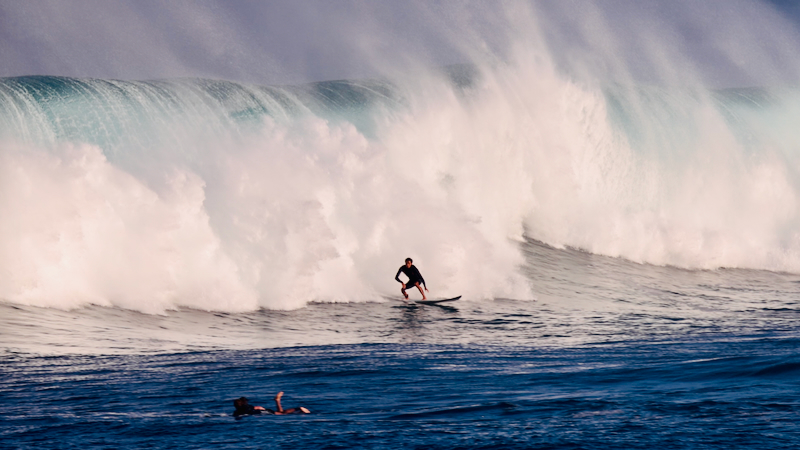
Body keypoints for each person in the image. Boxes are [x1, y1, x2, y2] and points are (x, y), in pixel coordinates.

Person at [232, 392, 310, 417]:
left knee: (281, 413)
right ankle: (298, 408)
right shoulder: (246, 407)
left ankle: (278, 400)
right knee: (281, 413)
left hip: (261, 413)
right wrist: (262, 409)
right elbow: (257, 407)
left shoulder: (236, 412)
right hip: (262, 412)